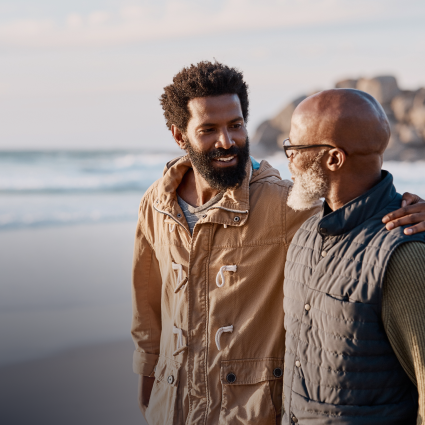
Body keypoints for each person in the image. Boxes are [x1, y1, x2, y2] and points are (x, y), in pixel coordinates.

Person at [131, 62, 425, 425]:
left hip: (246, 413)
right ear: (180, 136)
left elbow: (354, 205)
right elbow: (147, 305)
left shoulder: (286, 204)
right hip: (170, 406)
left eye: (236, 125)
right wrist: (148, 379)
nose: (227, 141)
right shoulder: (155, 203)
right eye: (208, 129)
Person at [282, 88, 425, 424]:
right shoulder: (305, 234)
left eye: (294, 148)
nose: (287, 159)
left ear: (333, 158)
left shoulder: (403, 255)